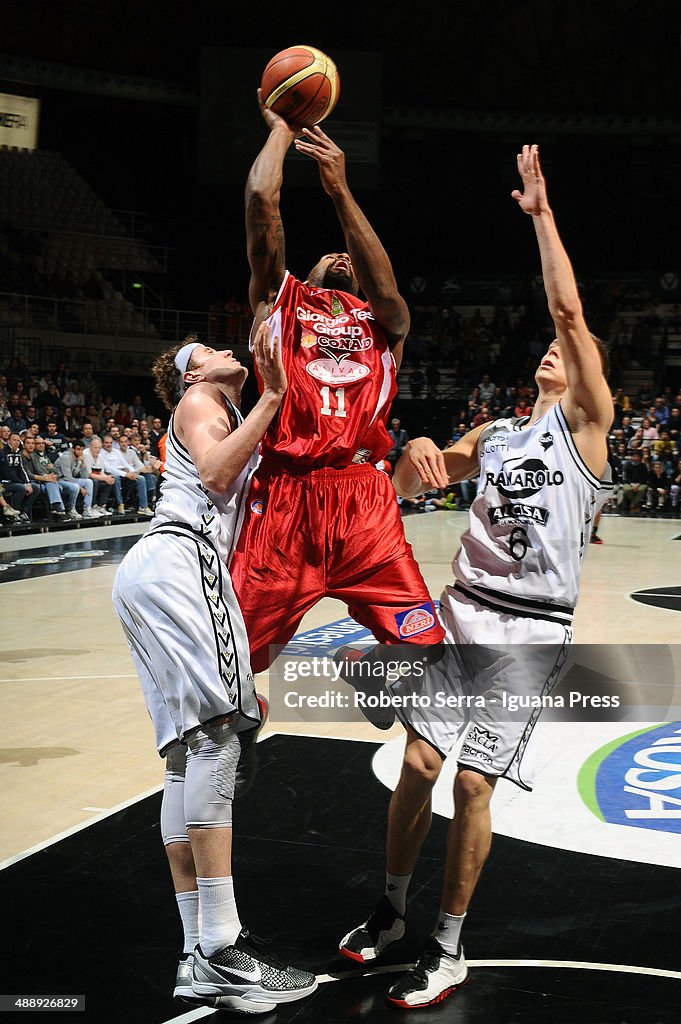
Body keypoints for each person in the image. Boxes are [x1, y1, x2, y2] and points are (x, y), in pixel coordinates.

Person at [338, 145, 614, 1009]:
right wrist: (412, 455)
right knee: (419, 763)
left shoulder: (588, 431)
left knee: (470, 782)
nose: (552, 351)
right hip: (462, 612)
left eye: (567, 351)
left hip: (528, 629)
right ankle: (388, 913)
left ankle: (448, 947)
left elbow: (567, 309)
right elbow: (415, 477)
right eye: (549, 349)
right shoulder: (496, 434)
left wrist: (541, 219)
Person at [112, 326, 317, 1012]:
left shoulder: (220, 407)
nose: (220, 349)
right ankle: (224, 945)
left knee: (183, 758)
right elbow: (214, 472)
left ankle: (197, 954)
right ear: (190, 373)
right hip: (181, 562)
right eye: (203, 348)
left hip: (152, 571)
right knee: (216, 741)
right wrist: (275, 394)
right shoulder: (203, 403)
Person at [230, 94, 444, 677]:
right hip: (285, 500)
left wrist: (339, 189)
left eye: (349, 256)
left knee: (425, 648)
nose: (342, 258)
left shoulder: (383, 325)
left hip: (362, 501)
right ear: (310, 271)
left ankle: (365, 663)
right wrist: (279, 129)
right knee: (228, 665)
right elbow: (260, 203)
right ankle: (225, 748)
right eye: (331, 256)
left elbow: (388, 289)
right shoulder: (280, 302)